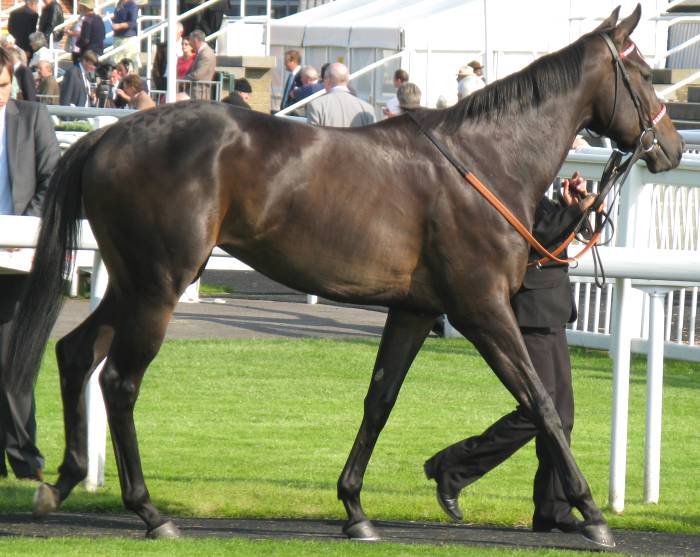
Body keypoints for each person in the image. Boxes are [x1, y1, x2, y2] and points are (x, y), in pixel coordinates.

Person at [423, 173, 602, 534]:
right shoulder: (513, 189)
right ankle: (453, 468)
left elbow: (564, 233)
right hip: (530, 312)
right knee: (537, 412)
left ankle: (553, 509)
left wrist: (573, 207)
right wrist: (574, 211)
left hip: (551, 310)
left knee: (561, 417)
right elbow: (536, 235)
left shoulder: (543, 196)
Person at [0, 47, 60, 481]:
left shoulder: (32, 117)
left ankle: (25, 461)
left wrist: (23, 232)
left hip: (18, 257)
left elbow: (52, 178)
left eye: (3, 86)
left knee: (12, 364)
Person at [306, 62, 376, 128]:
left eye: (324, 78)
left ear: (328, 80)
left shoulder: (316, 106)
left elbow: (312, 135)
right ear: (347, 80)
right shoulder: (367, 108)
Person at [183, 30, 216, 100]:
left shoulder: (206, 54)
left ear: (195, 40)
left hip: (199, 93)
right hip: (195, 92)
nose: (190, 43)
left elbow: (198, 74)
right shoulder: (202, 52)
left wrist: (183, 79)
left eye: (190, 41)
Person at [110, 0, 139, 67]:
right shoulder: (119, 3)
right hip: (117, 37)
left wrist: (119, 26)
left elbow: (132, 23)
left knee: (129, 62)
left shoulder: (132, 5)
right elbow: (119, 17)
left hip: (128, 38)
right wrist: (114, 19)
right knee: (116, 62)